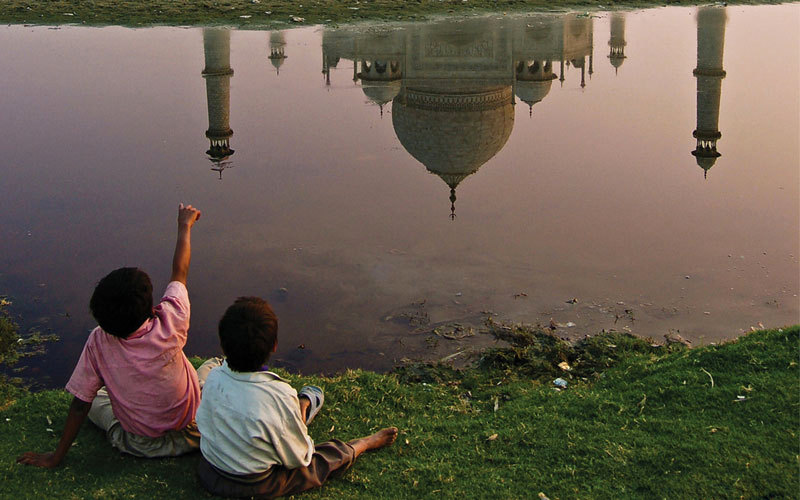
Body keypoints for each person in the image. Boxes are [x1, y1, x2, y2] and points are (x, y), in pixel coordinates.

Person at [17, 203, 203, 468]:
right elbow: (180, 271)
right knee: (209, 370)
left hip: (140, 444)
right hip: (192, 432)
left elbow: (80, 404)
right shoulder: (171, 319)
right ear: (152, 308)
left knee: (95, 401)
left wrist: (55, 457)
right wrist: (184, 226)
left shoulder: (98, 340)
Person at [195, 296, 398, 499]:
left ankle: (301, 408)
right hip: (254, 484)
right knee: (324, 459)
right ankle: (363, 443)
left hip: (210, 472)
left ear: (223, 346)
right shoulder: (278, 396)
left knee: (273, 421)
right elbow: (301, 458)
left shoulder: (213, 378)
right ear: (274, 346)